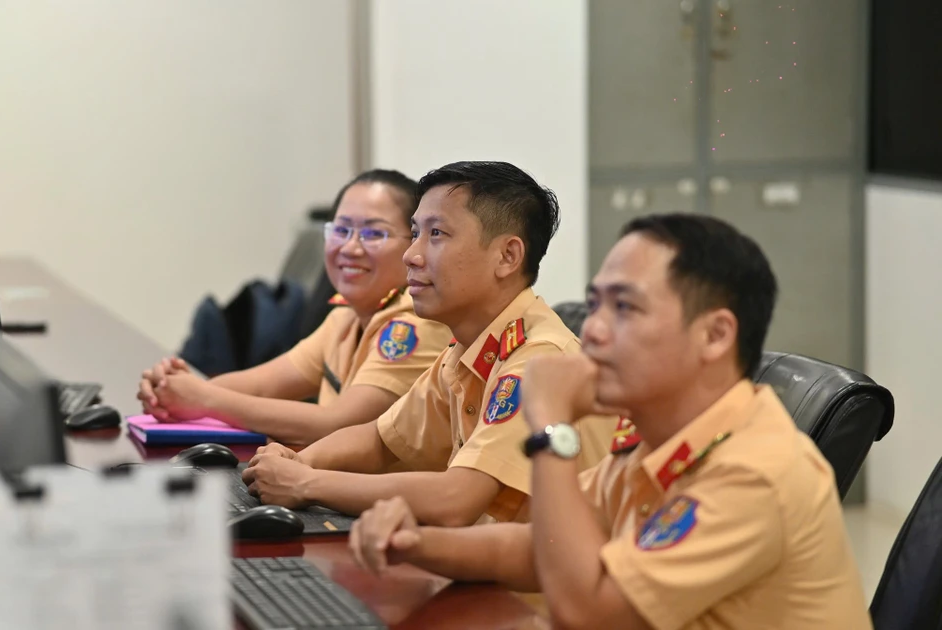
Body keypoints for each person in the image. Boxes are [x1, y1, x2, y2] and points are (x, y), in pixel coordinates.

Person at [347, 213, 872, 629]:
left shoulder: (755, 471)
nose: (594, 330)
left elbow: (591, 613)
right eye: (595, 304)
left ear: (714, 336)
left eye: (624, 308)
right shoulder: (656, 442)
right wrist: (417, 544)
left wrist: (552, 425)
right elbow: (534, 547)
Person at [240, 161, 617, 527]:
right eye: (415, 232)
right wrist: (299, 461)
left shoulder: (538, 360)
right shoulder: (466, 349)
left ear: (507, 256)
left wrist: (306, 483)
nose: (411, 255)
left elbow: (457, 499)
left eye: (436, 234)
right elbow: (381, 439)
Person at [136, 169, 451, 445]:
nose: (351, 248)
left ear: (413, 243)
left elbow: (339, 425)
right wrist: (172, 390)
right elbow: (259, 387)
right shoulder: (344, 319)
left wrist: (203, 397)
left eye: (373, 233)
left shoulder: (413, 325)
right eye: (341, 230)